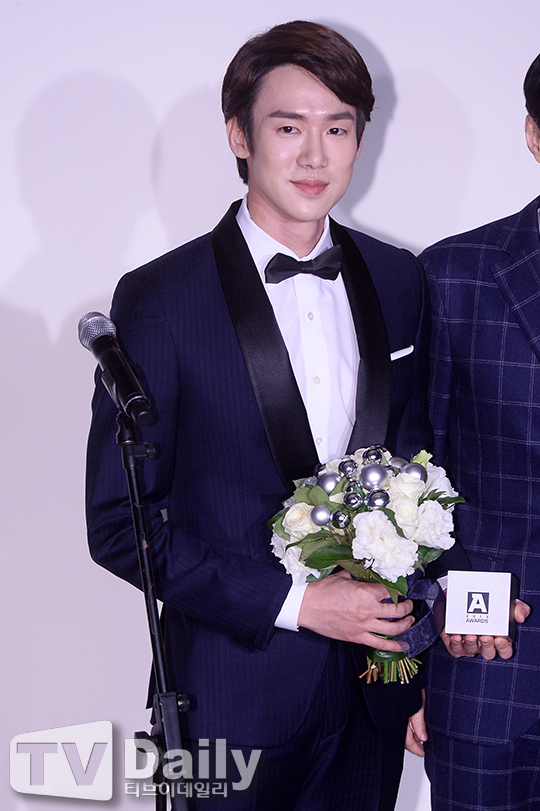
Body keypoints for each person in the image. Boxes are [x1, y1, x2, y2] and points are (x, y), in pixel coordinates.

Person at [86, 20, 432, 810]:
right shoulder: (160, 298)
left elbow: (420, 469)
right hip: (226, 699)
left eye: (337, 128)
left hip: (373, 697)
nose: (314, 155)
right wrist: (300, 604)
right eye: (287, 127)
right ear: (239, 136)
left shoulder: (400, 278)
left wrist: (421, 664)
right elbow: (119, 523)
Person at [420, 52, 540, 811]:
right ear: (534, 134)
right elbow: (414, 469)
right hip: (491, 671)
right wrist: (447, 601)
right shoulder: (453, 274)